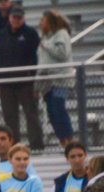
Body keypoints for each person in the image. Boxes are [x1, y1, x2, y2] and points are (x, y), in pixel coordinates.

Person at [0, 5, 44, 150]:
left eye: (19, 17)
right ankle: (13, 148)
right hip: (6, 83)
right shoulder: (1, 34)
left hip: (26, 83)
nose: (16, 20)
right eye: (14, 17)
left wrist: (33, 81)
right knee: (10, 118)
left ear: (23, 18)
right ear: (9, 17)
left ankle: (37, 147)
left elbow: (36, 58)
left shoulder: (31, 34)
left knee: (31, 115)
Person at [37, 9, 75, 147]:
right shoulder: (45, 37)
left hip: (60, 80)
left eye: (43, 20)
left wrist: (46, 46)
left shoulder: (61, 34)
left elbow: (62, 53)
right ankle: (63, 141)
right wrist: (37, 84)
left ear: (49, 21)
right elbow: (42, 62)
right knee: (51, 112)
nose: (40, 23)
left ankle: (70, 142)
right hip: (47, 82)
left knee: (58, 108)